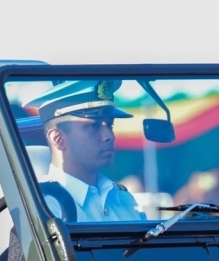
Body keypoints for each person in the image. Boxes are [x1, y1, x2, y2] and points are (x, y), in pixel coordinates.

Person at [32, 80, 145, 222]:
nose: (109, 136)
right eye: (93, 126)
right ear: (58, 139)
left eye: (110, 125)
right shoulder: (45, 206)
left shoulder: (124, 200)